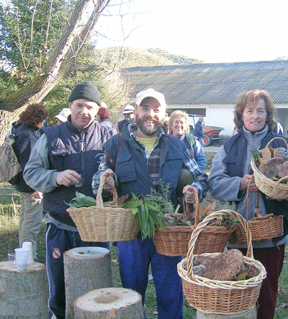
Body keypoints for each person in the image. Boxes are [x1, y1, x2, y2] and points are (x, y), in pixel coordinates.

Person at [92, 88, 208, 319]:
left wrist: (194, 190)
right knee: (132, 295)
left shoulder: (177, 146)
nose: (150, 114)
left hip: (169, 231)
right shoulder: (115, 144)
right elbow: (98, 177)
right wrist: (105, 181)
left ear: (164, 115)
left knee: (171, 294)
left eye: (156, 109)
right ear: (135, 112)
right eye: (145, 108)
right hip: (131, 232)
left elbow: (201, 177)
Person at [23, 81, 116, 319]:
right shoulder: (50, 136)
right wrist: (55, 177)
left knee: (96, 286)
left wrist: (113, 179)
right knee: (59, 285)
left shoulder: (110, 135)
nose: (84, 111)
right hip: (59, 225)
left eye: (90, 106)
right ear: (70, 107)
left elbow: (123, 172)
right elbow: (31, 173)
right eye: (79, 105)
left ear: (97, 110)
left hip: (97, 229)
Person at [208, 89, 288, 319]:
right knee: (238, 293)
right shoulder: (230, 146)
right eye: (249, 111)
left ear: (268, 115)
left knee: (267, 295)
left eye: (260, 111)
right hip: (238, 234)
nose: (255, 116)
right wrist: (240, 182)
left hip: (272, 235)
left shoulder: (283, 144)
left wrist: (271, 184)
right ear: (241, 115)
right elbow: (214, 183)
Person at [14, 103, 49, 261]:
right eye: (44, 119)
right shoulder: (28, 135)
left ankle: (27, 253)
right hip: (30, 188)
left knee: (26, 221)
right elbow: (28, 165)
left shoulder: (22, 130)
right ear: (38, 118)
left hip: (25, 186)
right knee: (31, 223)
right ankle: (29, 257)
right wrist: (35, 187)